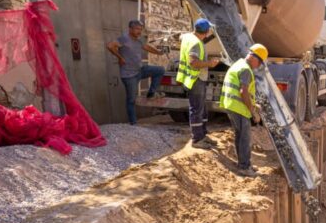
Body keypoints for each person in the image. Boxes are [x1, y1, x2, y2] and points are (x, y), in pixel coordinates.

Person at [220, 44, 267, 177]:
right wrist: (252, 111)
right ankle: (244, 167)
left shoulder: (238, 64)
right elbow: (243, 91)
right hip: (238, 107)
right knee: (245, 137)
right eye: (259, 62)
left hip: (232, 105)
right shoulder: (246, 69)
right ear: (253, 57)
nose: (258, 65)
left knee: (240, 135)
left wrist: (253, 104)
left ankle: (243, 163)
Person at [107, 20, 166, 125]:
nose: (139, 31)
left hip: (140, 70)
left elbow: (146, 47)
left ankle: (151, 93)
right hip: (129, 75)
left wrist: (159, 52)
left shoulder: (139, 40)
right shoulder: (124, 38)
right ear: (130, 29)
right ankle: (133, 123)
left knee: (159, 70)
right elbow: (110, 46)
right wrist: (120, 58)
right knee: (131, 100)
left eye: (140, 29)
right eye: (137, 29)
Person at [176, 19, 221, 149]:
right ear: (206, 32)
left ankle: (203, 134)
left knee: (202, 108)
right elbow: (193, 62)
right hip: (195, 78)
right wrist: (210, 63)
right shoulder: (196, 43)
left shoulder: (188, 37)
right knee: (196, 109)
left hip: (194, 78)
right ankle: (197, 139)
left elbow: (181, 36)